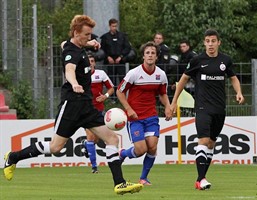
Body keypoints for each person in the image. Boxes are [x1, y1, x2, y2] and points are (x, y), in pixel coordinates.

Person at [3, 14, 143, 195]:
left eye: (90, 34)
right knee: (55, 148)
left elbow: (64, 44)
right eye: (87, 34)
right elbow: (69, 69)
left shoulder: (73, 45)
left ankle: (120, 183)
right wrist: (74, 82)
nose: (90, 37)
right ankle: (13, 157)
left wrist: (89, 43)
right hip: (71, 105)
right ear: (77, 33)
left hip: (86, 106)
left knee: (113, 139)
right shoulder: (72, 53)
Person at [170, 29, 245, 190]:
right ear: (204, 43)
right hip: (203, 107)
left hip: (219, 108)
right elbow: (183, 79)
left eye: (213, 41)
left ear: (219, 42)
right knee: (203, 140)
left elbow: (233, 77)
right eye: (207, 41)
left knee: (211, 143)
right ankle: (201, 178)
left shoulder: (226, 60)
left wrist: (238, 92)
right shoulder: (197, 60)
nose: (210, 44)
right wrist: (174, 101)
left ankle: (200, 179)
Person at [116, 41, 173, 185]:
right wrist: (128, 109)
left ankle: (143, 178)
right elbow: (119, 91)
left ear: (157, 57)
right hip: (135, 118)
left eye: (153, 53)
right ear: (143, 56)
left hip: (151, 116)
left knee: (152, 147)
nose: (150, 55)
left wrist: (167, 106)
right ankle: (123, 153)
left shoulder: (161, 75)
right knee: (141, 150)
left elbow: (162, 94)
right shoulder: (133, 73)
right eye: (147, 53)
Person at [81, 53, 115, 174]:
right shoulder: (80, 75)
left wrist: (105, 96)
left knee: (95, 139)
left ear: (94, 63)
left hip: (99, 110)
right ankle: (94, 167)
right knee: (91, 137)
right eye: (88, 61)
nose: (90, 63)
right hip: (86, 110)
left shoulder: (101, 74)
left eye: (92, 61)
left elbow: (111, 88)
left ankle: (85, 144)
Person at [100, 18, 134, 85]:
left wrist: (121, 57)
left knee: (122, 80)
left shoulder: (122, 36)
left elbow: (127, 47)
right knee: (111, 81)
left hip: (120, 61)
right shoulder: (105, 37)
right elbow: (102, 49)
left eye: (115, 26)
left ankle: (122, 94)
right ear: (109, 26)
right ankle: (112, 95)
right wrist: (108, 57)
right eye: (113, 26)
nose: (114, 28)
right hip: (110, 62)